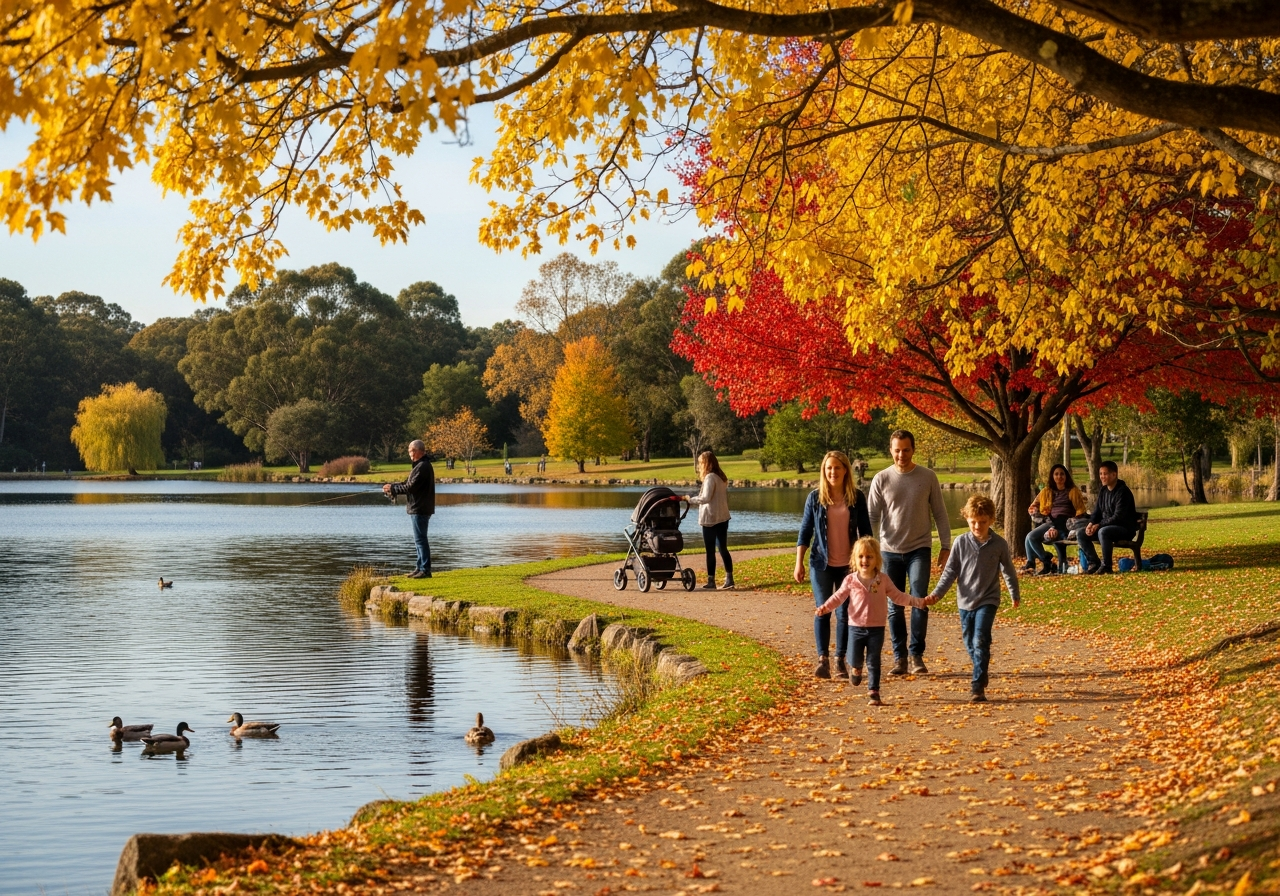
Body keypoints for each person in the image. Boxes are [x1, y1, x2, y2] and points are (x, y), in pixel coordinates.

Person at [867, 429, 952, 676]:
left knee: (919, 601)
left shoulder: (928, 477)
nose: (901, 455)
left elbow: (940, 514)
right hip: (888, 551)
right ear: (890, 451)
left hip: (919, 549)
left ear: (913, 450)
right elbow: (872, 517)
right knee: (895, 606)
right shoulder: (881, 479)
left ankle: (916, 655)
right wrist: (870, 551)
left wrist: (946, 546)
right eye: (897, 450)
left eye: (906, 450)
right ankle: (899, 658)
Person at [925, 494, 1021, 703]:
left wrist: (1014, 593)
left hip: (988, 599)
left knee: (980, 639)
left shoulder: (999, 544)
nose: (977, 526)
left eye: (982, 522)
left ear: (991, 520)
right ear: (967, 519)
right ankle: (982, 667)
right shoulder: (960, 543)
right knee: (970, 641)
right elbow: (950, 572)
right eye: (973, 522)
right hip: (965, 601)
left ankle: (977, 687)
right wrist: (937, 594)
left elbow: (1008, 572)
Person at [815, 536, 931, 705]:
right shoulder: (850, 580)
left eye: (869, 557)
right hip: (855, 627)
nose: (865, 560)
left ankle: (874, 692)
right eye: (861, 556)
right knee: (854, 658)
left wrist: (918, 602)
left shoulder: (882, 580)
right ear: (855, 559)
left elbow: (898, 596)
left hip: (877, 628)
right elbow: (838, 597)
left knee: (873, 660)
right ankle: (856, 668)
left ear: (877, 559)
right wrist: (825, 607)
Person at [795, 450, 873, 679]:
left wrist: (868, 565)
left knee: (844, 613)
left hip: (849, 567)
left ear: (846, 470)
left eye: (837, 467)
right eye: (829, 468)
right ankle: (823, 660)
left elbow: (866, 533)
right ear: (824, 471)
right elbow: (805, 532)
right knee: (823, 610)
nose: (833, 472)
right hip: (821, 563)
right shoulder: (815, 498)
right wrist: (798, 563)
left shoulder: (857, 498)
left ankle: (840, 660)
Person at [382, 439, 436, 578]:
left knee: (421, 539)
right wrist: (392, 486)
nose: (409, 453)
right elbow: (407, 483)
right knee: (418, 540)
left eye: (411, 451)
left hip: (420, 508)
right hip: (418, 508)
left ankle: (425, 570)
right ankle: (419, 568)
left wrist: (393, 488)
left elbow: (410, 488)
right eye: (409, 451)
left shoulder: (423, 466)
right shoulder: (419, 466)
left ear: (419, 451)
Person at [1024, 463, 1088, 575]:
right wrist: (1036, 512)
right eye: (1056, 474)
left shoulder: (1073, 491)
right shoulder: (1046, 491)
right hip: (1049, 522)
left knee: (1030, 537)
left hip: (1065, 524)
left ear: (1066, 476)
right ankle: (1043, 561)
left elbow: (1080, 510)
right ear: (1052, 477)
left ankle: (1043, 562)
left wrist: (1060, 526)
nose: (1059, 477)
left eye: (1062, 474)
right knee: (1029, 538)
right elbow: (1033, 506)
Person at [1076, 460, 1138, 575]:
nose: (1102, 477)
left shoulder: (1123, 492)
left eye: (1105, 474)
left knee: (1103, 531)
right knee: (1081, 533)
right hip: (1106, 527)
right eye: (1101, 474)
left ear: (1114, 474)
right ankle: (1094, 563)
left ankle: (1107, 566)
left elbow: (1118, 517)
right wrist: (1091, 524)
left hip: (1124, 529)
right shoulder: (1103, 490)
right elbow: (1097, 512)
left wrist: (1099, 525)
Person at [683, 449, 733, 590]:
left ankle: (711, 581)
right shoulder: (721, 477)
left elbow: (705, 498)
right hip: (723, 517)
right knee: (723, 548)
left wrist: (690, 499)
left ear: (706, 463)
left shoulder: (710, 477)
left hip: (711, 518)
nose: (699, 466)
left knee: (710, 550)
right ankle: (729, 578)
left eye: (700, 463)